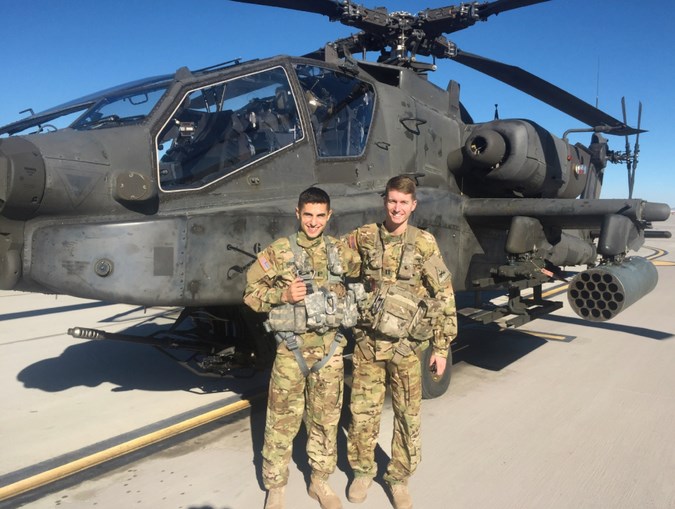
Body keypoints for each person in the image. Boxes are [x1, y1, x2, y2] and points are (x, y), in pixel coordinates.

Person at [344, 176, 457, 509]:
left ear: (413, 205)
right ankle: (363, 471)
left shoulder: (424, 243)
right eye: (392, 201)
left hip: (407, 348)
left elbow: (444, 294)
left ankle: (399, 479)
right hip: (368, 345)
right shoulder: (364, 236)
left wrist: (441, 347)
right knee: (362, 413)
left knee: (407, 416)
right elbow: (334, 261)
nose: (397, 208)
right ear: (385, 201)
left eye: (403, 202)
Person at [244, 187, 360, 509]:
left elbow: (367, 272)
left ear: (329, 215)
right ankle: (276, 487)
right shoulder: (279, 252)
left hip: (330, 351)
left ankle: (320, 481)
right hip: (291, 352)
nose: (313, 222)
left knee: (326, 421)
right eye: (308, 215)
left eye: (320, 215)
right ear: (297, 213)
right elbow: (250, 294)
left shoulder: (340, 251)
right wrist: (282, 296)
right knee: (280, 423)